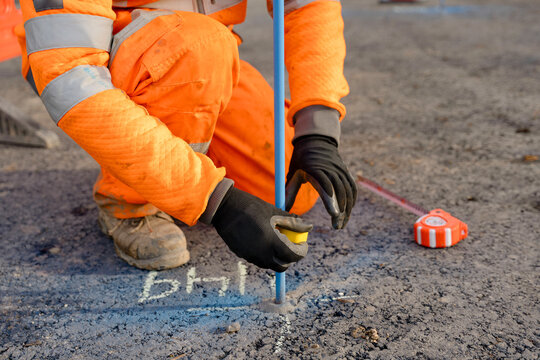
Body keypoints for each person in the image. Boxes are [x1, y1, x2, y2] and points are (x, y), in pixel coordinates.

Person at [16, 0, 357, 272]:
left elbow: (307, 5)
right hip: (117, 69)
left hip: (210, 62)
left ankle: (177, 163)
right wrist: (217, 202)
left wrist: (317, 128)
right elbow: (70, 78)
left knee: (288, 191)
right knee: (199, 47)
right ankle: (131, 204)